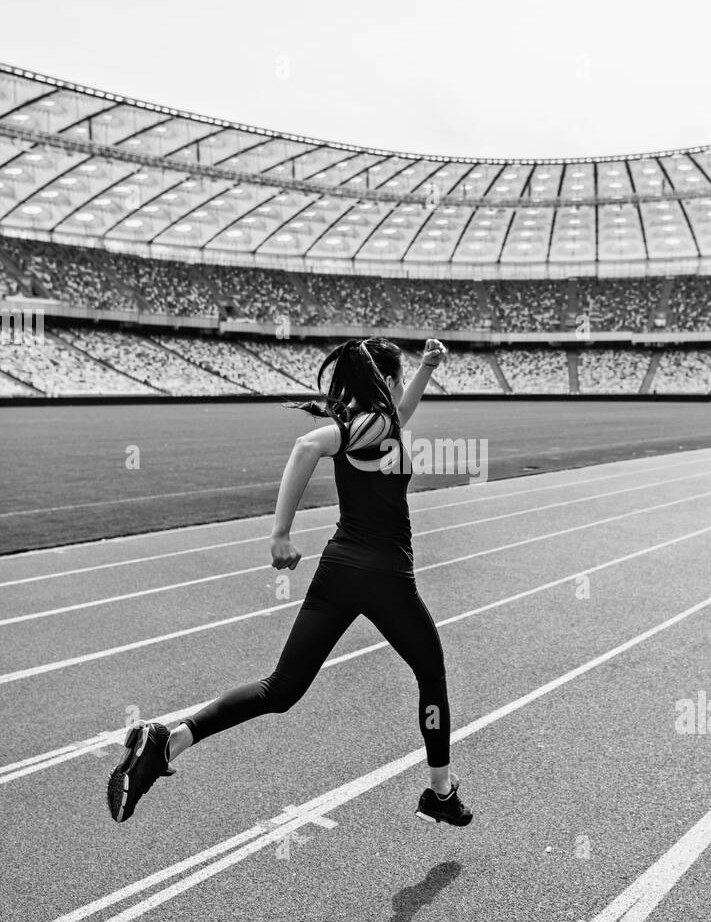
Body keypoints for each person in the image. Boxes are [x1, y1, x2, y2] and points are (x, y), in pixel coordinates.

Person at [106, 336, 472, 828]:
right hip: (385, 577)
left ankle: (166, 741)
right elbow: (307, 445)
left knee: (280, 689)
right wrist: (279, 533)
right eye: (402, 376)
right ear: (386, 381)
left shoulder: (369, 424)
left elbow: (396, 416)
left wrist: (426, 367)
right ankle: (440, 792)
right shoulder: (376, 425)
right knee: (432, 674)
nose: (404, 386)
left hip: (339, 572)